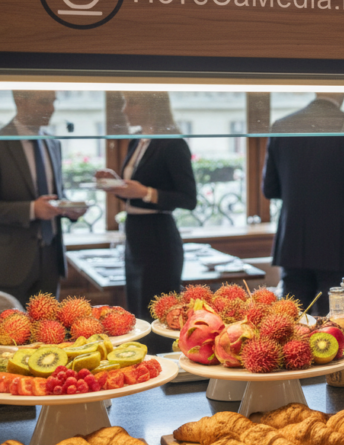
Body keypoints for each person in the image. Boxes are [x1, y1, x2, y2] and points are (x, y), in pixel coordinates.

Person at [263, 93, 344, 316]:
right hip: (338, 243)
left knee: (292, 322)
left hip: (294, 241)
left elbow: (270, 189)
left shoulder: (282, 125)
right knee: (337, 324)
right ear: (343, 91)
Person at [96, 93, 197, 320]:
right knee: (136, 311)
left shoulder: (173, 143)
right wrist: (116, 184)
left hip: (158, 235)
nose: (125, 109)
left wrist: (146, 192)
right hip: (134, 233)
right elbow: (135, 192)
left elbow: (189, 199)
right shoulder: (136, 140)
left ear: (153, 105)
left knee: (158, 314)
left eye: (131, 102)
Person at [0, 91, 85, 305]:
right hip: (10, 262)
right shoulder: (2, 141)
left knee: (50, 325)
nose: (51, 108)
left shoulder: (52, 143)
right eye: (44, 102)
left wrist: (70, 208)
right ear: (20, 100)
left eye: (53, 101)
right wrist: (31, 209)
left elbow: (56, 194)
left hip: (51, 259)